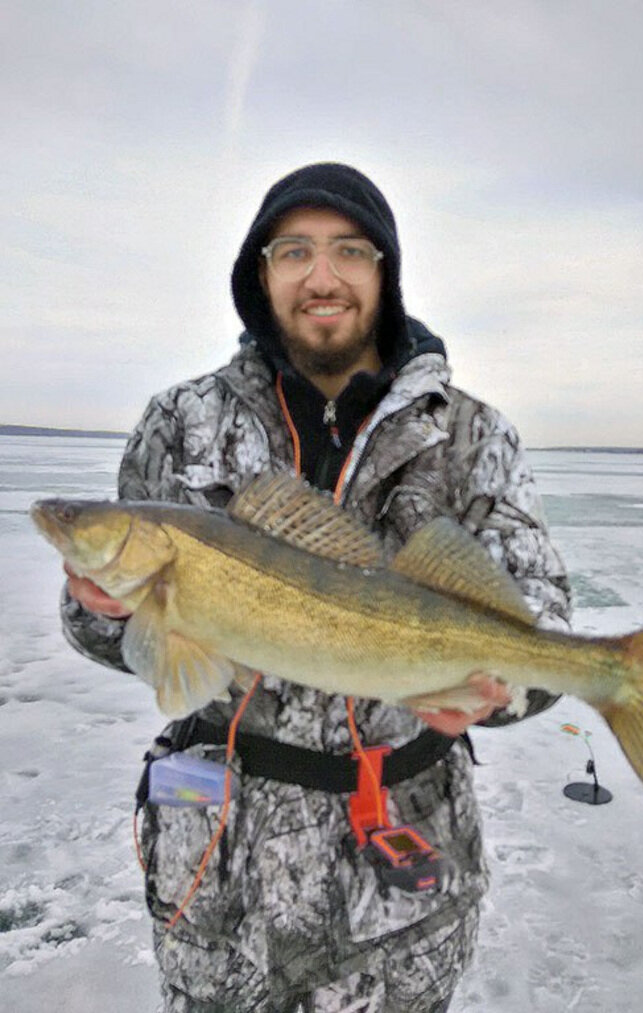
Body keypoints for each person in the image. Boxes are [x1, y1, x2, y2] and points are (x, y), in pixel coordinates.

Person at [62, 163, 572, 1012]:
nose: (321, 276)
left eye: (349, 251)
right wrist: (102, 609)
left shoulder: (472, 433)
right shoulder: (177, 422)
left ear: (385, 271)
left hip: (402, 871)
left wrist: (500, 692)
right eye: (293, 250)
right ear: (260, 272)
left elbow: (541, 618)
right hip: (219, 867)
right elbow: (97, 631)